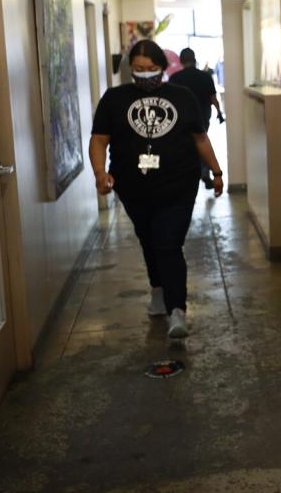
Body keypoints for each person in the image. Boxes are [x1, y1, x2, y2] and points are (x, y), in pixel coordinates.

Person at [89, 40, 225, 339]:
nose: (145, 75)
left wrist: (216, 172)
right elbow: (99, 140)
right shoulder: (114, 99)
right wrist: (101, 173)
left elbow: (200, 138)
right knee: (149, 240)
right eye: (138, 70)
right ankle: (157, 289)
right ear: (130, 70)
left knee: (168, 242)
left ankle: (176, 310)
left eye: (151, 70)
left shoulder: (182, 96)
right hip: (132, 185)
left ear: (163, 69)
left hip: (179, 183)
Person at [170, 47, 226, 188]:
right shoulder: (205, 76)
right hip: (202, 116)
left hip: (181, 118)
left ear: (181, 61)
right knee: (201, 141)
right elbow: (213, 98)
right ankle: (204, 171)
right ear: (194, 60)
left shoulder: (175, 78)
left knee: (186, 144)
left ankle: (187, 173)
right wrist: (219, 112)